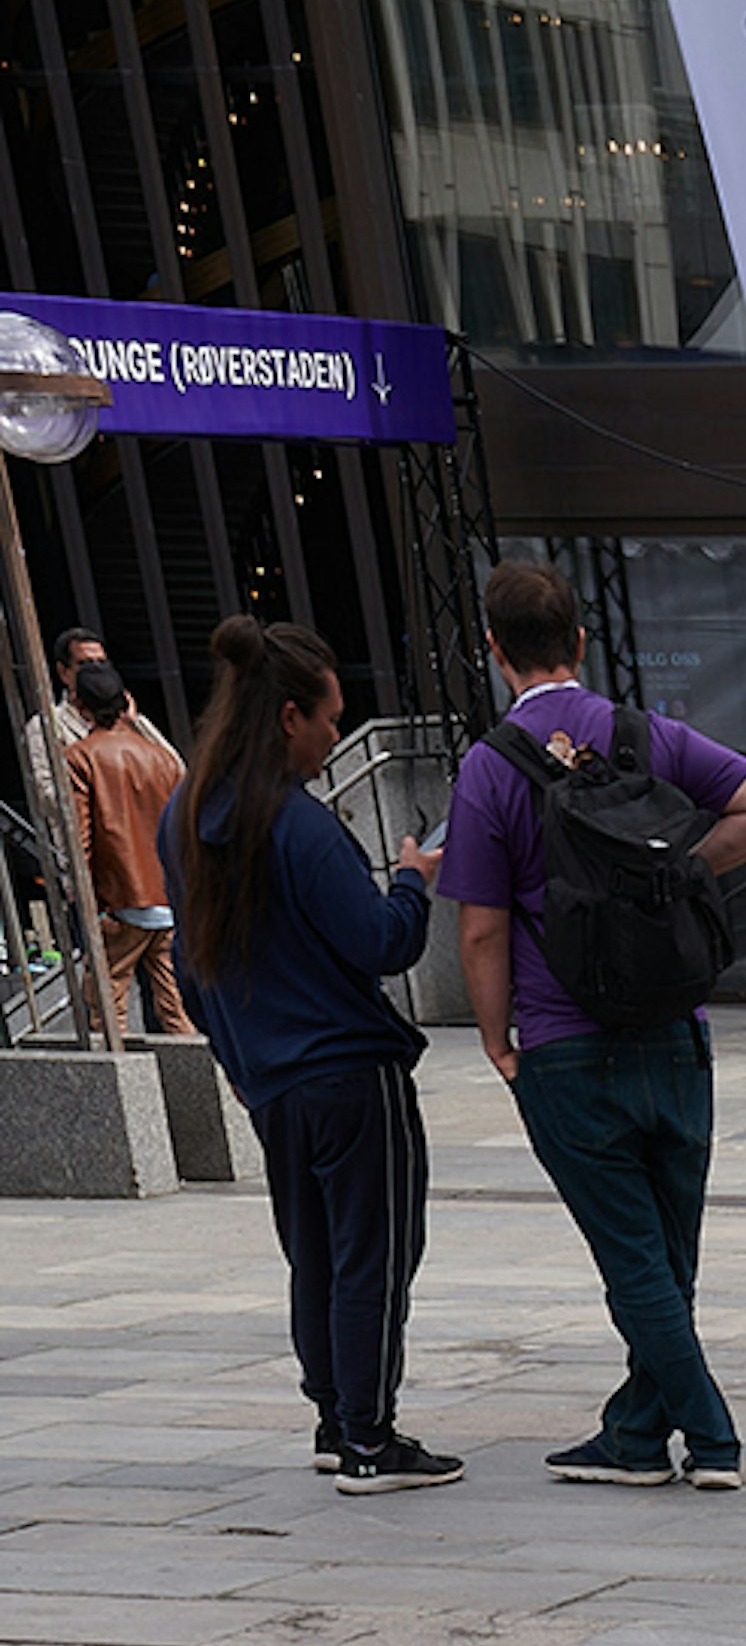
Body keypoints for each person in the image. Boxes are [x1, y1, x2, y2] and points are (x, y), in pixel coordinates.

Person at [441, 555, 746, 1491]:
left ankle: (709, 1438)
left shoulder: (489, 768)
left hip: (565, 1043)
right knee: (668, 1256)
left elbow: (480, 926)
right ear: (581, 641)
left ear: (494, 650)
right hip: (676, 1031)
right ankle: (635, 1435)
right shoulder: (646, 735)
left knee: (634, 1259)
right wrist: (684, 871)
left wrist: (494, 1038)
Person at [162, 615, 456, 1488]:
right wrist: (413, 878)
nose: (336, 734)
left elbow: (187, 958)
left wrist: (244, 1064)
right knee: (376, 1251)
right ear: (289, 716)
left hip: (275, 1081)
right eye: (330, 718)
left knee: (316, 1253)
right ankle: (371, 1436)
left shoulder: (189, 813)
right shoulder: (299, 825)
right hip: (349, 1072)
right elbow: (380, 944)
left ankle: (334, 1416)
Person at [61, 648, 192, 1041]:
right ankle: (204, 1089)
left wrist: (88, 903)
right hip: (167, 898)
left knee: (106, 1008)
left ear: (81, 706)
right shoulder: (161, 759)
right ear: (126, 702)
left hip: (121, 902)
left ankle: (124, 1095)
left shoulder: (78, 758)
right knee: (177, 1009)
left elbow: (80, 838)